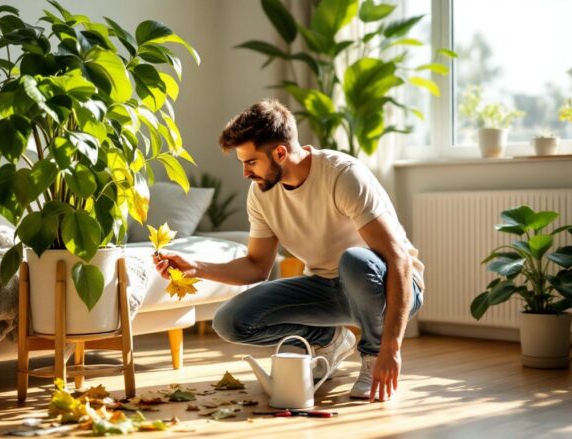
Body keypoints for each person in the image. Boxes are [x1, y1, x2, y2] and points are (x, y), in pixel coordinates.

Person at [153, 98, 425, 402]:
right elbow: (257, 266)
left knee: (354, 260)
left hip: (387, 287)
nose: (245, 173)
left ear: (280, 153)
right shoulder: (261, 194)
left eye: (251, 162)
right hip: (326, 287)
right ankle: (329, 340)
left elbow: (399, 261)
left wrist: (391, 349)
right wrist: (196, 268)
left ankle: (372, 356)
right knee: (230, 321)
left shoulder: (343, 175)